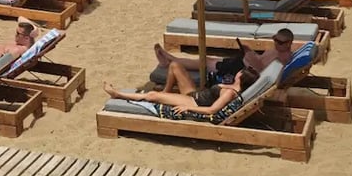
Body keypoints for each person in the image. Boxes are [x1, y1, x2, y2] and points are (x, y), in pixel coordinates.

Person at [103, 67, 258, 116]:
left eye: (241, 71)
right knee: (175, 66)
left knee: (151, 95)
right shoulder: (232, 87)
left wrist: (188, 108)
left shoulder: (230, 93)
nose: (238, 71)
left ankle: (117, 94)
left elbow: (212, 110)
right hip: (195, 93)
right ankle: (166, 92)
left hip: (193, 101)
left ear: (241, 76)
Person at [153, 28, 295, 79]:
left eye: (280, 42)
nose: (276, 43)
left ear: (289, 43)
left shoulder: (283, 58)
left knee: (207, 63)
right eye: (275, 40)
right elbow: (260, 60)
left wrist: (249, 54)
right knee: (210, 59)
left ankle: (170, 61)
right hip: (243, 63)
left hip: (242, 71)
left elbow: (262, 71)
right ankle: (171, 60)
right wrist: (249, 52)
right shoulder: (276, 50)